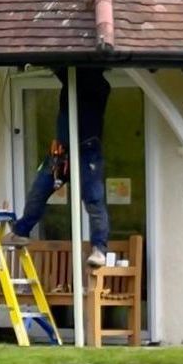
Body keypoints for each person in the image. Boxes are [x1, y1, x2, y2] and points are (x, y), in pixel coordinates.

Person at [9, 64, 120, 268]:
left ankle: (99, 249)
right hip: (61, 150)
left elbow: (73, 74)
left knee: (94, 200)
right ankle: (21, 231)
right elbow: (64, 70)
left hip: (87, 151)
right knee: (39, 190)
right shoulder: (72, 80)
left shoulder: (98, 86)